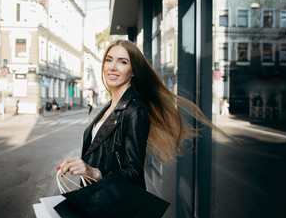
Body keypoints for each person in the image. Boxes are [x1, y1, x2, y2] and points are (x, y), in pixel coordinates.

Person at [58, 39, 234, 189]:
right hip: (94, 196)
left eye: (122, 62)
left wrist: (94, 172)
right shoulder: (109, 107)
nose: (112, 67)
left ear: (133, 71)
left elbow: (134, 172)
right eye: (109, 60)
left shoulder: (134, 110)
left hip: (112, 209)